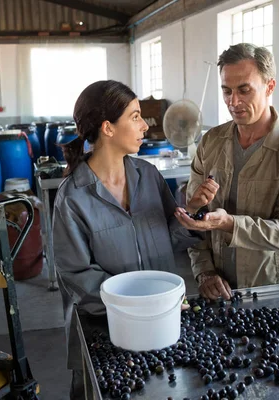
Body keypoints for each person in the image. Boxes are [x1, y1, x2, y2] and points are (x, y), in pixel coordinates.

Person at [51, 80, 218, 399]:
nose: (145, 125)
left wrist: (191, 209)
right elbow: (75, 276)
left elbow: (170, 239)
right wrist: (137, 306)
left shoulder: (148, 175)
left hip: (161, 326)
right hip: (106, 333)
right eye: (136, 116)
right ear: (108, 128)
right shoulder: (73, 198)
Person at [174, 43, 279, 300]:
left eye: (244, 90)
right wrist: (205, 272)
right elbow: (195, 221)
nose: (233, 102)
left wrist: (229, 223)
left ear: (270, 87)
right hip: (221, 288)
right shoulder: (211, 143)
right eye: (226, 91)